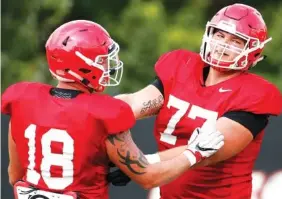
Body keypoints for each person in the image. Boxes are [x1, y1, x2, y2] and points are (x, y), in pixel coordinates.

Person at [1, 20, 224, 199]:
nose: (109, 65)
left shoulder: (22, 99)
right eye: (103, 60)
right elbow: (148, 178)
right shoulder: (105, 113)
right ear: (83, 66)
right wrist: (195, 152)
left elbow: (15, 174)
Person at [110, 3, 282, 199]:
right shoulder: (182, 66)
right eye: (220, 35)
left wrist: (139, 163)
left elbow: (206, 152)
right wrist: (98, 113)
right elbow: (134, 104)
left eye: (236, 41)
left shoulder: (255, 94)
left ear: (253, 50)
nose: (223, 45)